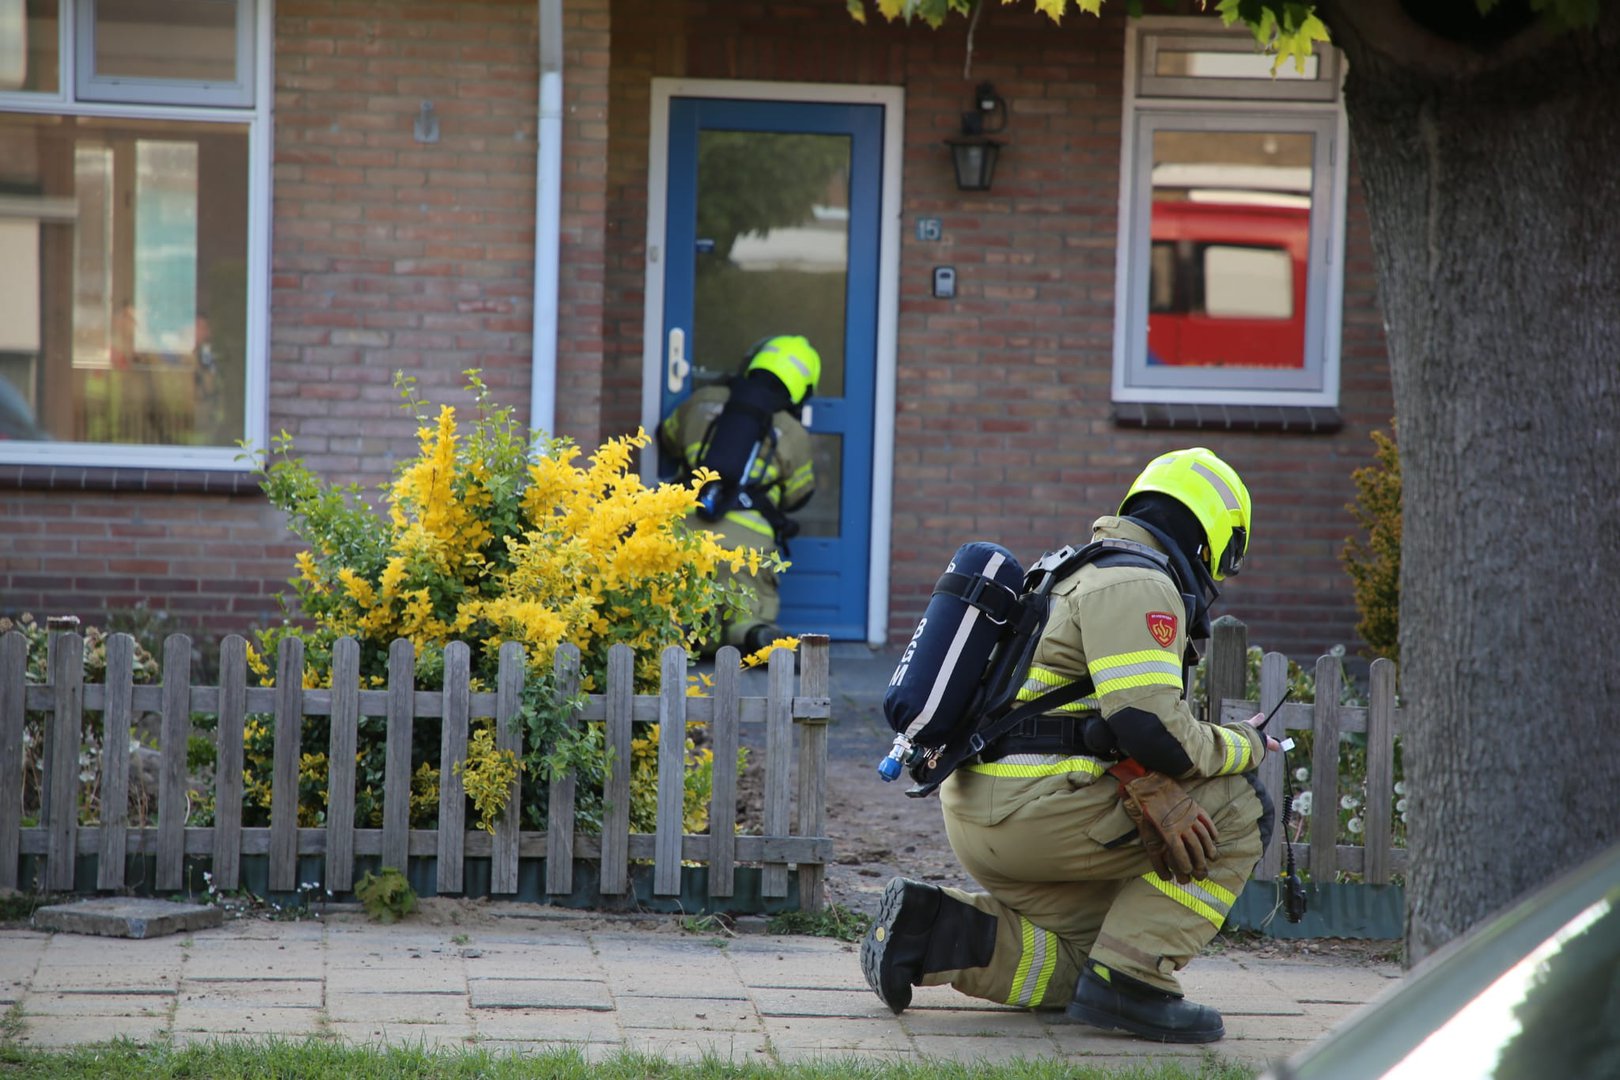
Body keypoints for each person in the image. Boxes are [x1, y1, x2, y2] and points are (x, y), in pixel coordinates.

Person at [861, 447, 1281, 1044]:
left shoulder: (1073, 571)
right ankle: (1136, 984)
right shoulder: (1138, 583)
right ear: (1211, 536)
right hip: (1036, 816)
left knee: (1093, 956)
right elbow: (1153, 731)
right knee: (1242, 805)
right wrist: (1246, 745)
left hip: (986, 816)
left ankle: (927, 933)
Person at [658, 334, 819, 655]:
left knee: (674, 607)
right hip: (748, 547)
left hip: (684, 534)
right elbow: (798, 495)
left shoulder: (702, 401)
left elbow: (668, 437)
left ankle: (682, 631)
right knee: (744, 611)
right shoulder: (791, 431)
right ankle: (752, 633)